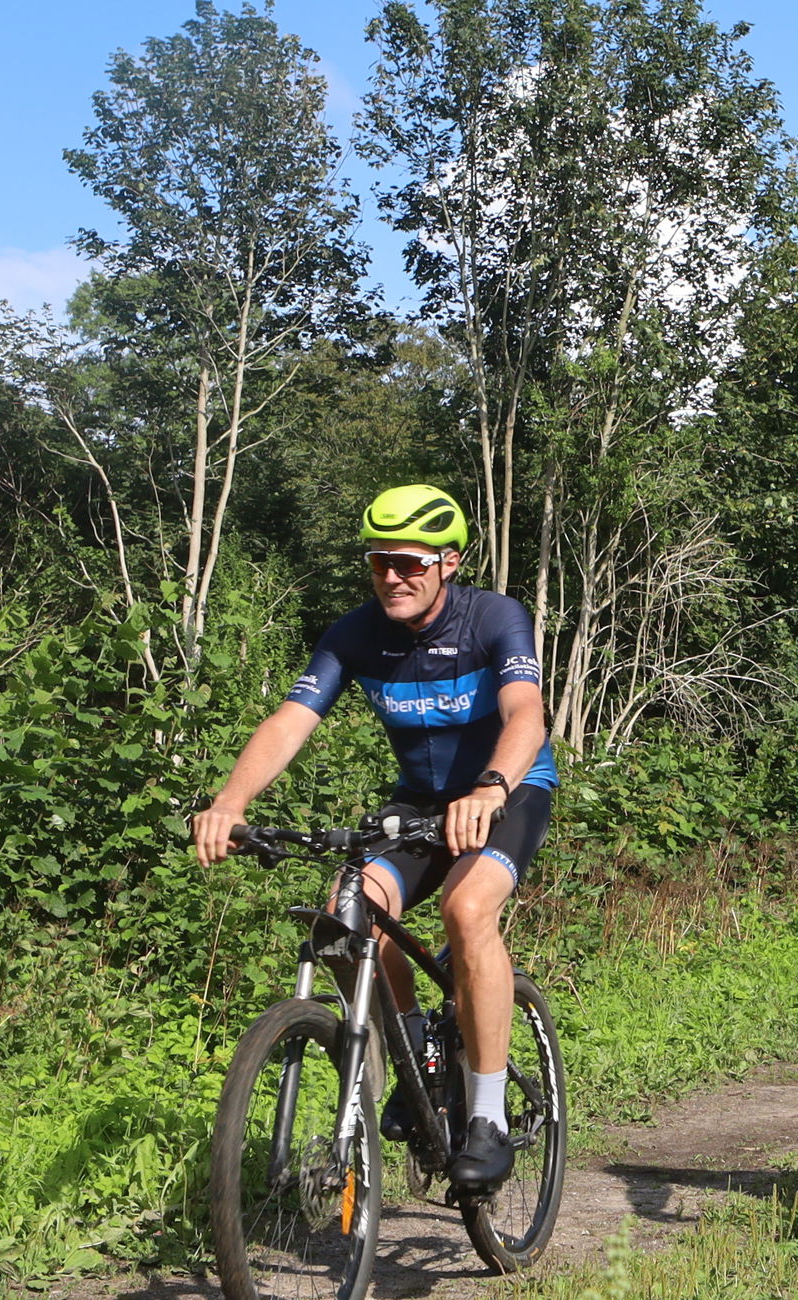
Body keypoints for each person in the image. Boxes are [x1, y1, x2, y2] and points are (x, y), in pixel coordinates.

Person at [190, 485, 554, 1195]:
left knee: (468, 909)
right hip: (419, 803)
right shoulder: (356, 633)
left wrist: (489, 788)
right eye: (379, 562)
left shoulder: (493, 619)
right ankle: (416, 1046)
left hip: (507, 788)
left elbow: (527, 715)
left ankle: (487, 1116)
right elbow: (290, 721)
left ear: (448, 561)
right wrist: (230, 801)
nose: (392, 576)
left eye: (409, 562)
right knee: (348, 910)